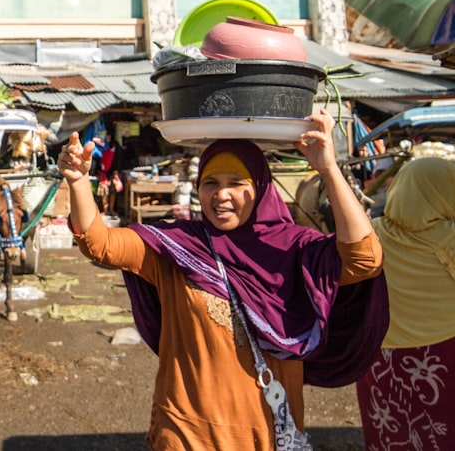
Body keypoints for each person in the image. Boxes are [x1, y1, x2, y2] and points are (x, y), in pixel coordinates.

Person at [56, 110, 388, 449]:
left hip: (265, 434)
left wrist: (329, 169)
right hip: (186, 433)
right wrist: (79, 181)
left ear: (259, 188)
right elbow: (100, 244)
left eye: (236, 184)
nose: (221, 195)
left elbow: (365, 259)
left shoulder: (296, 250)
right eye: (211, 183)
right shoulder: (176, 248)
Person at [356, 157, 455, 451]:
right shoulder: (449, 238)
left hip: (381, 357)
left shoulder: (370, 233)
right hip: (445, 356)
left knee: (393, 432)